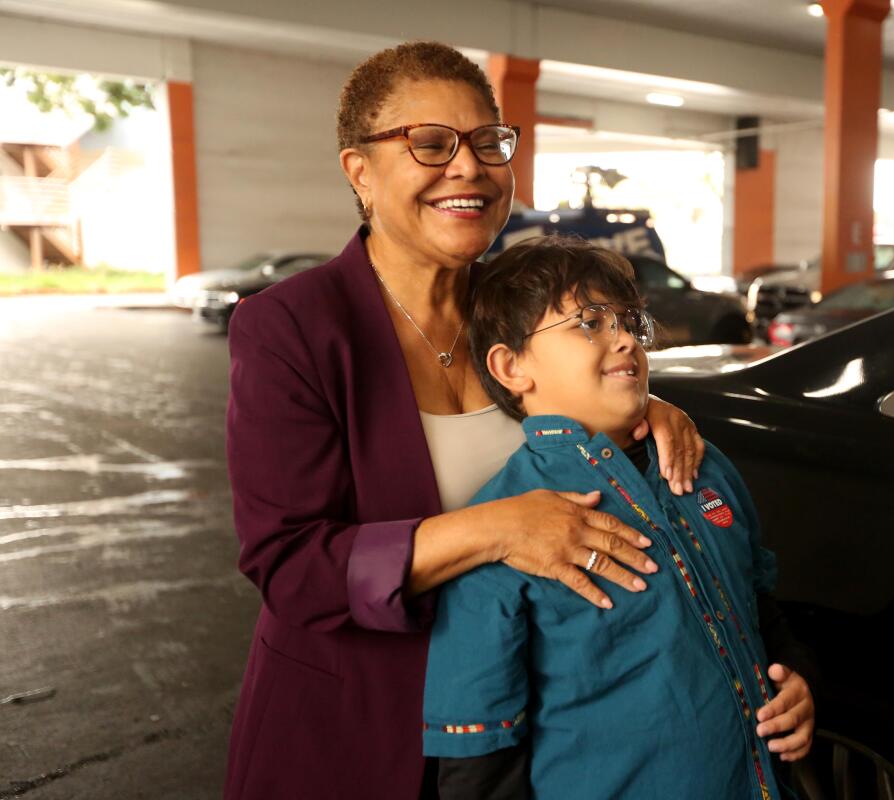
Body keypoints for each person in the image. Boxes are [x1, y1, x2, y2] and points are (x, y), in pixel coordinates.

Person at [223, 42, 706, 800]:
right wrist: (501, 528)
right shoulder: (292, 327)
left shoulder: (522, 310)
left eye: (488, 142)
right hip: (355, 732)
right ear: (359, 170)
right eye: (430, 143)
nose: (469, 168)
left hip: (532, 737)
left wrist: (647, 409)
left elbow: (582, 407)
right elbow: (292, 566)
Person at [422, 237, 816, 799]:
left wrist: (799, 682)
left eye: (628, 320)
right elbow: (478, 757)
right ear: (511, 366)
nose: (625, 338)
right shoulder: (501, 529)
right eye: (589, 323)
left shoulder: (703, 467)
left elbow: (763, 612)